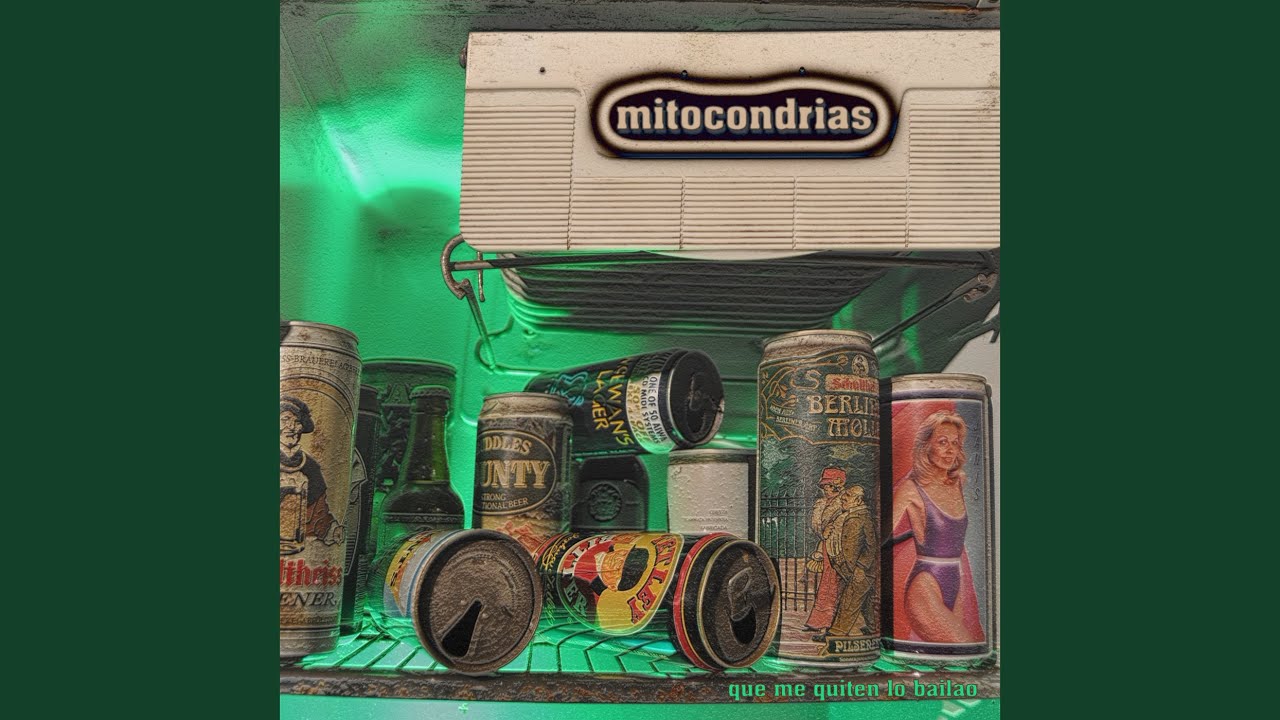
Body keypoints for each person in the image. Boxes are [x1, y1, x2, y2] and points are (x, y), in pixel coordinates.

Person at [890, 410, 984, 643]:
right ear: (925, 447)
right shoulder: (911, 488)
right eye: (942, 442)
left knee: (953, 653)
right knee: (962, 643)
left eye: (955, 443)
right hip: (925, 584)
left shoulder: (958, 482)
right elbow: (878, 537)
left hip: (955, 582)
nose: (950, 450)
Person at [280, 396, 343, 549]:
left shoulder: (311, 466)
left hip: (298, 545)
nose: (291, 427)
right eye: (285, 419)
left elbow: (320, 512)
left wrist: (332, 530)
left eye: (297, 422)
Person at [820, 485, 877, 641]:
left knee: (849, 599)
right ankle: (874, 626)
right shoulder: (849, 515)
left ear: (858, 501)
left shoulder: (864, 517)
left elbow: (872, 545)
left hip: (861, 570)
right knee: (865, 600)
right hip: (848, 567)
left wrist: (861, 567)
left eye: (849, 495)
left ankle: (836, 633)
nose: (843, 497)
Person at [802, 467, 846, 633]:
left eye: (829, 486)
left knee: (833, 584)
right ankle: (818, 621)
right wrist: (823, 534)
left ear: (837, 486)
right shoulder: (821, 504)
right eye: (824, 486)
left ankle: (828, 622)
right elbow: (816, 528)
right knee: (826, 584)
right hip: (827, 547)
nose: (826, 489)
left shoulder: (844, 502)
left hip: (839, 548)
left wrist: (832, 532)